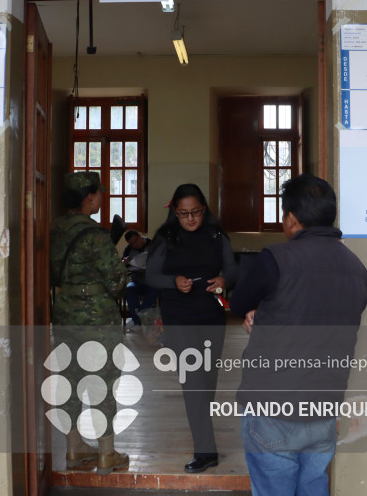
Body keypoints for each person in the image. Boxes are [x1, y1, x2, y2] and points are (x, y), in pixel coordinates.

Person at [229, 174, 367, 496]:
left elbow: (238, 304)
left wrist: (259, 319)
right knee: (312, 493)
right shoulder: (357, 269)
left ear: (291, 218)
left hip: (272, 407)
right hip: (323, 407)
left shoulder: (276, 259)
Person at [146, 183, 238, 473]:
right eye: (184, 213)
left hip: (211, 316)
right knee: (193, 381)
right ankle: (205, 450)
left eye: (195, 212)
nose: (190, 219)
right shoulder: (166, 237)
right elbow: (150, 275)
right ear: (175, 212)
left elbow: (233, 270)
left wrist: (224, 281)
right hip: (179, 317)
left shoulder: (215, 234)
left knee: (207, 381)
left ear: (204, 210)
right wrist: (173, 282)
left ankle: (202, 432)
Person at [49, 171, 130, 475]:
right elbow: (117, 281)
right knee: (103, 380)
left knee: (69, 380)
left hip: (65, 315)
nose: (101, 198)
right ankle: (106, 454)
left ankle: (73, 449)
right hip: (98, 319)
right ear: (89, 197)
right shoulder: (94, 234)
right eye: (99, 193)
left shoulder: (52, 231)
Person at [121, 230, 159, 330]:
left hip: (152, 281)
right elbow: (122, 267)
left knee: (155, 291)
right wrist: (124, 264)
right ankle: (138, 321)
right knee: (129, 289)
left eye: (136, 241)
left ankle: (136, 321)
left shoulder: (153, 245)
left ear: (139, 236)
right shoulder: (128, 249)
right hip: (136, 280)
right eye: (132, 244)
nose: (135, 245)